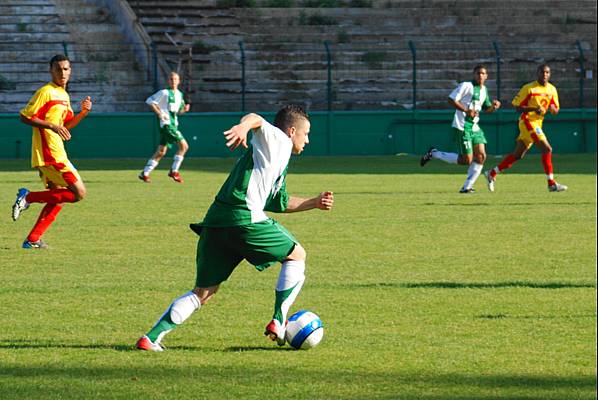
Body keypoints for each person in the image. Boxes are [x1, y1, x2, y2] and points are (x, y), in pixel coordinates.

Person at [135, 105, 334, 351]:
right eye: (306, 134)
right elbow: (257, 119)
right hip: (244, 218)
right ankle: (279, 320)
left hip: (217, 221)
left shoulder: (274, 160)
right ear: (292, 131)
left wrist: (313, 202)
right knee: (297, 255)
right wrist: (243, 126)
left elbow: (277, 201)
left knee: (203, 293)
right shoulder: (278, 139)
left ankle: (151, 338)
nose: (308, 139)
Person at [11, 54, 92, 249]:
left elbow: (65, 126)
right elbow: (24, 117)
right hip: (50, 153)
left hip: (57, 149)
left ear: (70, 71)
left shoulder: (64, 95)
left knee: (58, 197)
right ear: (51, 70)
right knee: (79, 193)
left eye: (65, 69)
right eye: (58, 69)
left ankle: (32, 240)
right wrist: (51, 126)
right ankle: (28, 197)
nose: (62, 73)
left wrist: (83, 113)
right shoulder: (46, 92)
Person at [484, 64, 566, 192]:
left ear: (550, 74)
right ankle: (551, 183)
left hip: (538, 123)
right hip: (527, 121)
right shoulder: (529, 88)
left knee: (517, 155)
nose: (544, 75)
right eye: (542, 72)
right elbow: (517, 107)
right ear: (537, 73)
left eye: (547, 72)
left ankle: (492, 173)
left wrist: (554, 110)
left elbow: (555, 109)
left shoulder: (552, 89)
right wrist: (534, 108)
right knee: (546, 149)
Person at [420, 64, 501, 193]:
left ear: (486, 76)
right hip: (462, 126)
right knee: (466, 160)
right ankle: (434, 153)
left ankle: (467, 187)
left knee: (481, 156)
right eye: (478, 73)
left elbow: (486, 109)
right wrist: (466, 110)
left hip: (474, 127)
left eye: (482, 73)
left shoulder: (484, 90)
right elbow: (451, 100)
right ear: (473, 75)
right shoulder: (466, 86)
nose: (480, 75)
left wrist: (494, 107)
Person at [138, 71, 190, 183]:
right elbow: (149, 101)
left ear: (179, 81)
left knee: (161, 151)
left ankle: (145, 173)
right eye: (171, 79)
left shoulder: (180, 95)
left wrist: (184, 110)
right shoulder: (164, 92)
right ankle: (174, 171)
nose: (173, 81)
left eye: (175, 79)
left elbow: (178, 112)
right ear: (168, 81)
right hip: (166, 125)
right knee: (184, 146)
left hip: (173, 124)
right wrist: (159, 113)